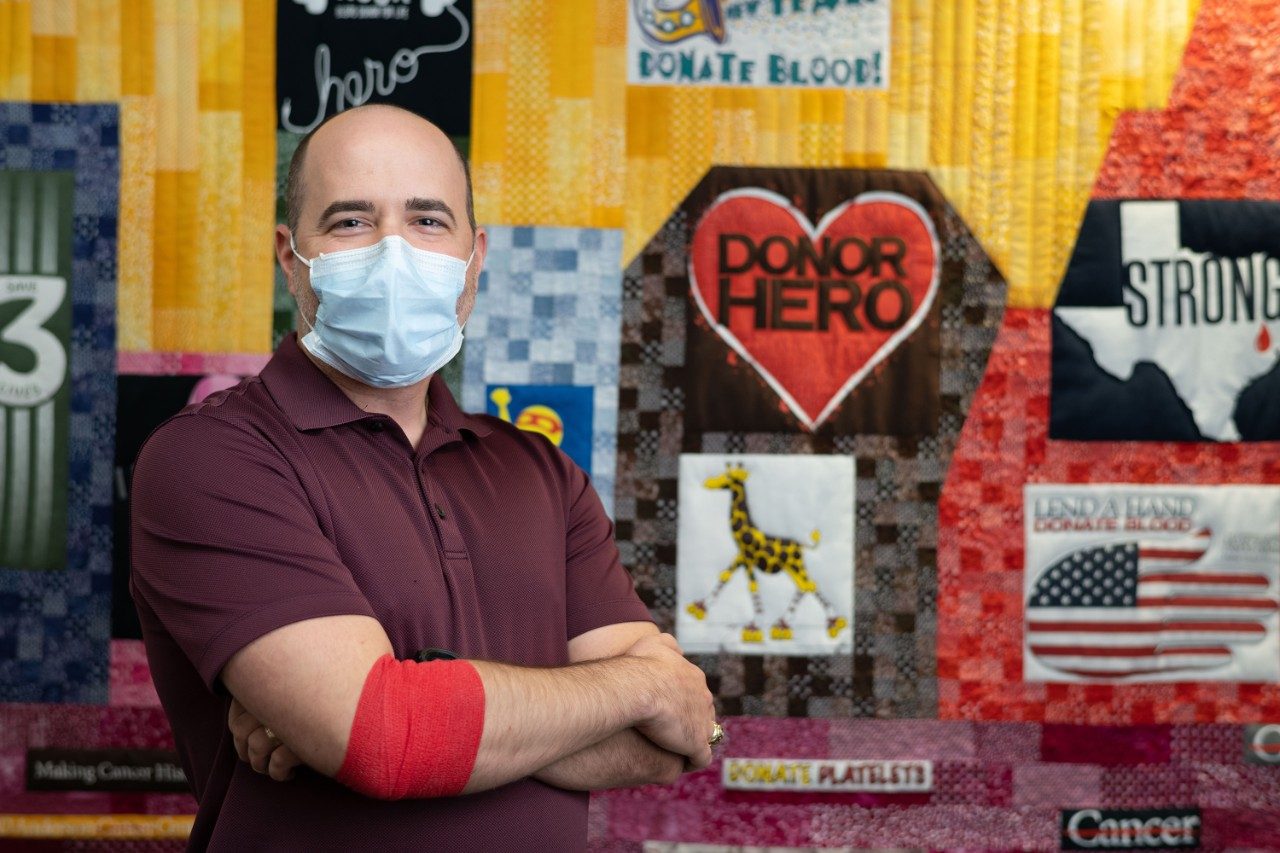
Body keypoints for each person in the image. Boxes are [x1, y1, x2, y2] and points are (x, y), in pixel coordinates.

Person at [129, 103, 719, 852]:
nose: (393, 253)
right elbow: (385, 737)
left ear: (474, 258)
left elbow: (666, 743)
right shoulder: (212, 459)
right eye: (350, 222)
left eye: (427, 221)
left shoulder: (540, 471)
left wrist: (403, 716)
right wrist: (643, 684)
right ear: (290, 256)